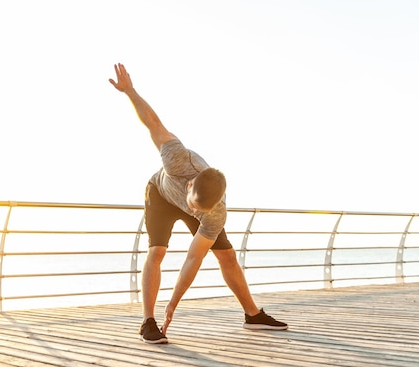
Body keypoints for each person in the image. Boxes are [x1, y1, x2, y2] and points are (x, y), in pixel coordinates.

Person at [109, 63, 288, 344]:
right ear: (191, 184)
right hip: (161, 195)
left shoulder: (215, 213)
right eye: (194, 206)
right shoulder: (177, 158)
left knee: (227, 255)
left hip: (200, 206)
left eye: (199, 211)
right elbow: (153, 122)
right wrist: (130, 91)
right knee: (157, 251)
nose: (194, 212)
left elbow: (193, 259)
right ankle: (147, 321)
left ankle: (252, 316)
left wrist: (174, 305)